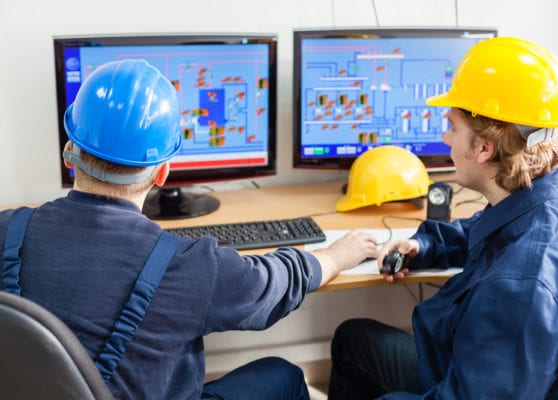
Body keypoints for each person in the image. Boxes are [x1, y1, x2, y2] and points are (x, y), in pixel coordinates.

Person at [0, 59, 379, 399]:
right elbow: (272, 283)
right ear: (163, 171)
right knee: (282, 375)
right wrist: (334, 256)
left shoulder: (7, 230)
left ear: (70, 149)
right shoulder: (186, 266)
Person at [328, 36, 558, 399]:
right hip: (477, 368)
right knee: (354, 339)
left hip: (469, 384)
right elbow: (487, 231)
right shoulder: (546, 201)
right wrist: (422, 245)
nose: (445, 138)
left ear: (485, 147)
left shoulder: (522, 287)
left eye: (452, 127)